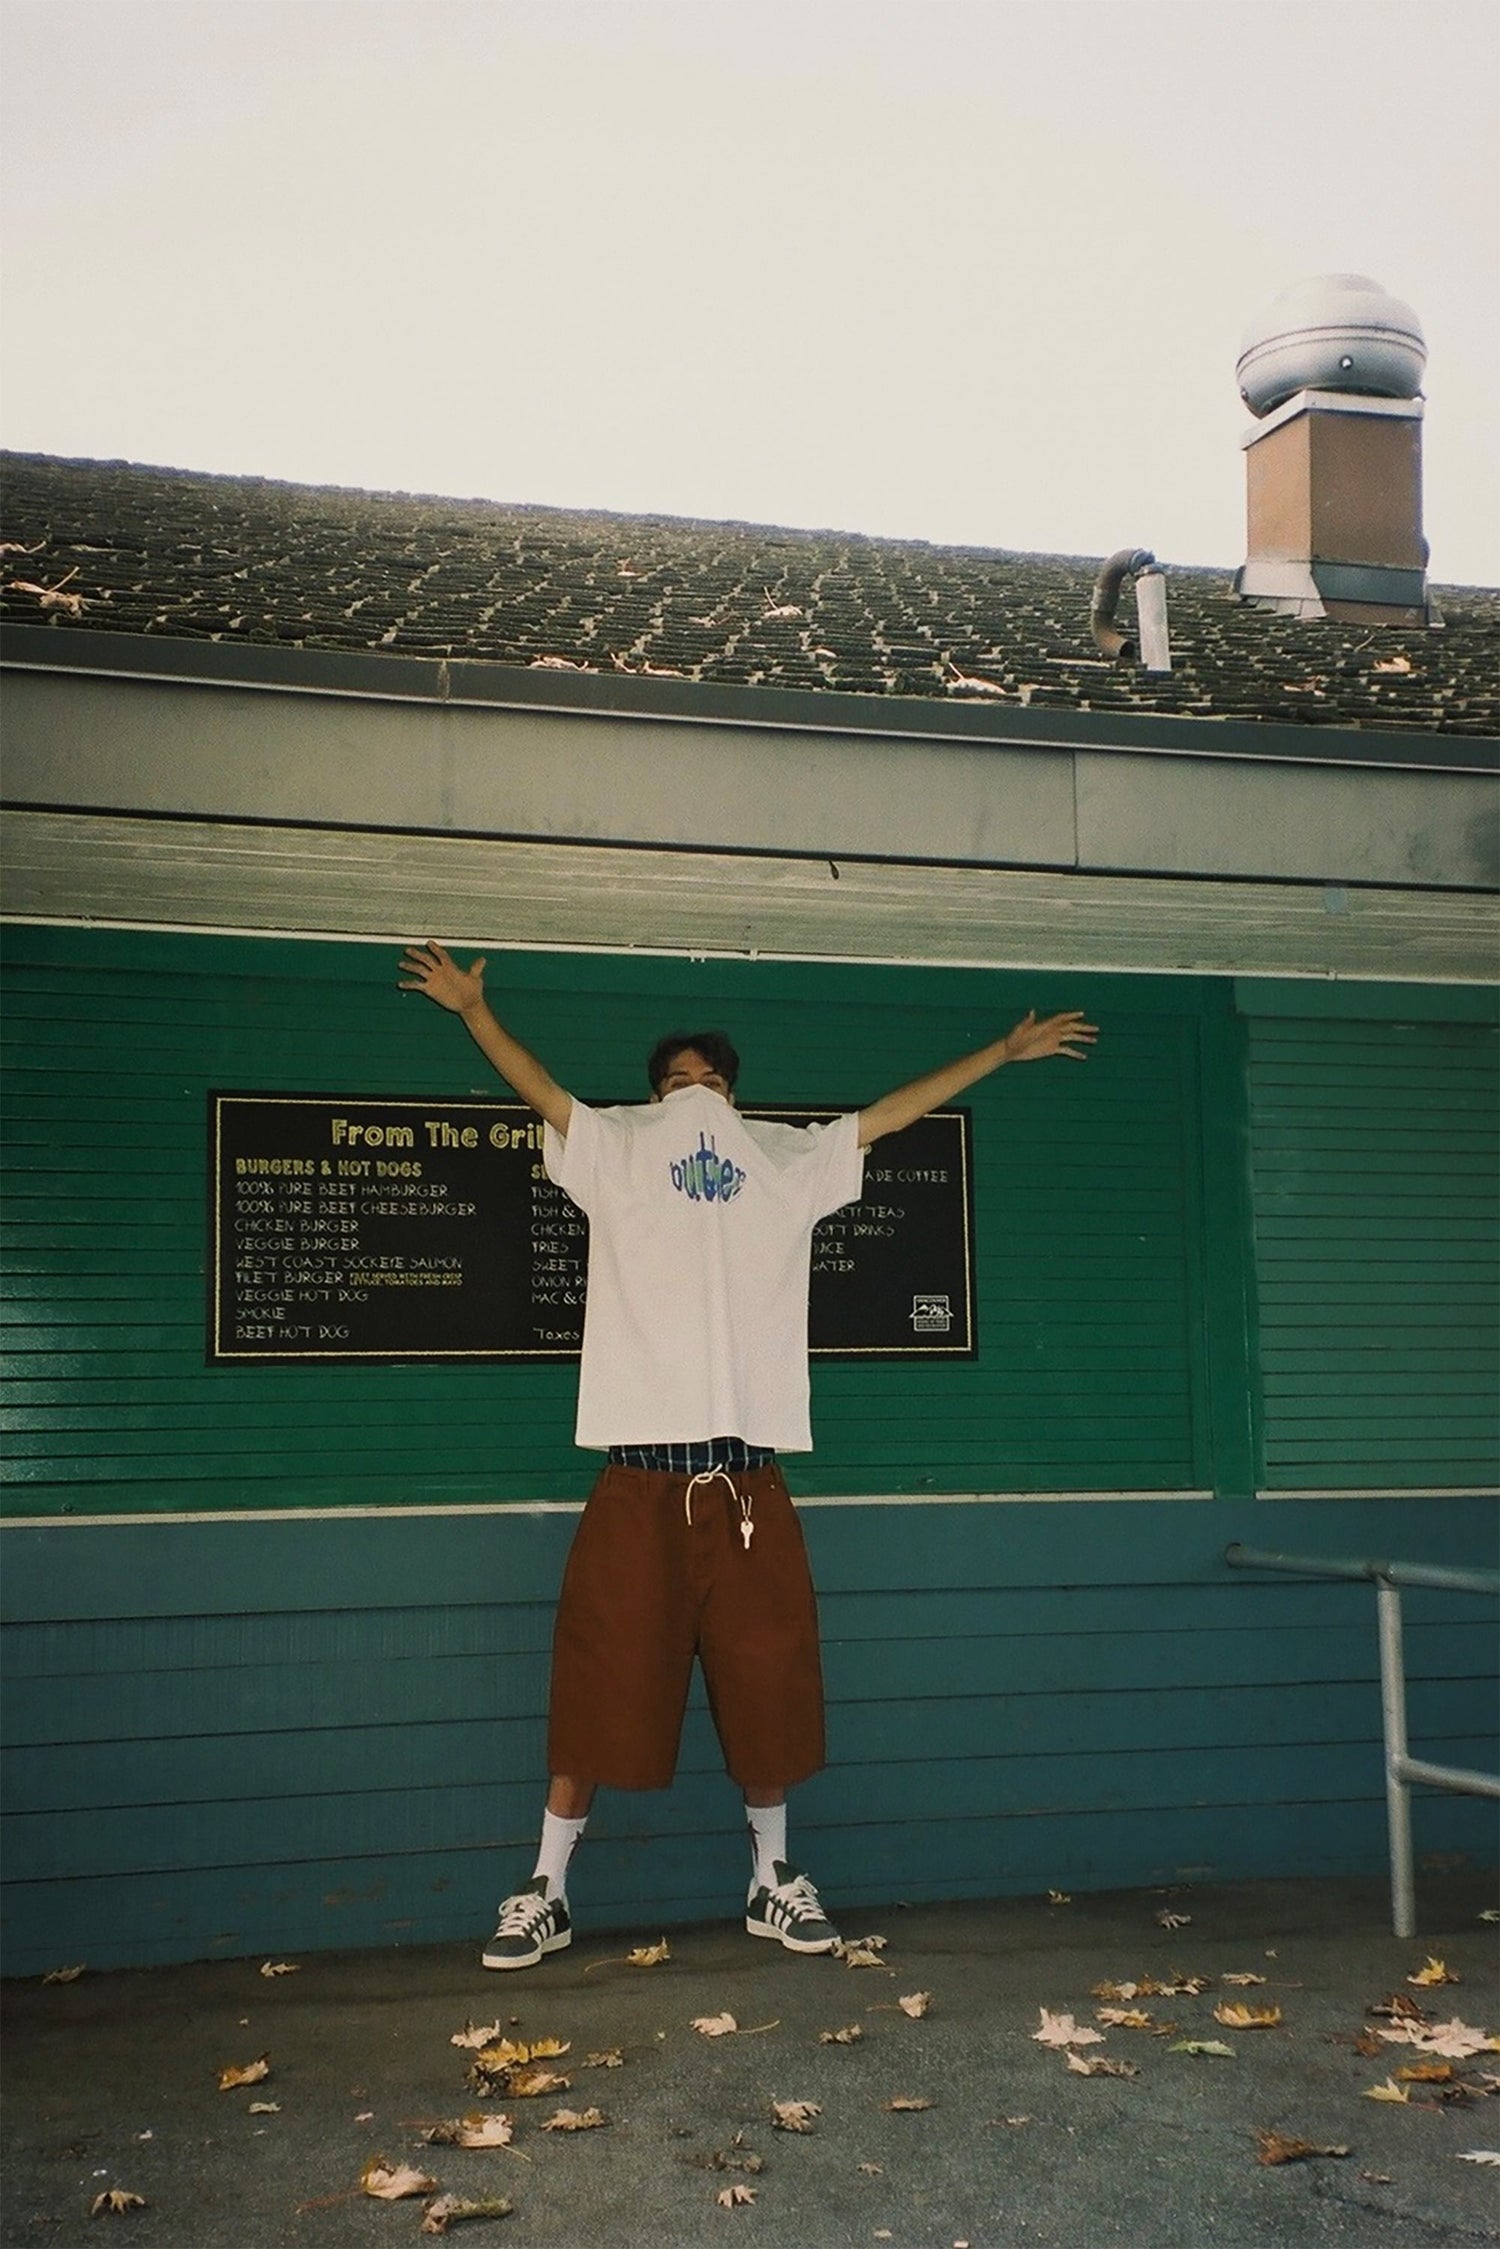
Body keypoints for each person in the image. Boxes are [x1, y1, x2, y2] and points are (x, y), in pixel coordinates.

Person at [399, 940, 1096, 1969]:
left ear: (736, 1094)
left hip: (749, 1479)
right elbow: (543, 1090)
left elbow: (892, 1114)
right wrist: (472, 1011)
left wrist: (1001, 1049)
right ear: (651, 1097)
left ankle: (772, 1879)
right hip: (639, 1475)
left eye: (712, 1082)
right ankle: (545, 1886)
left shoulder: (780, 1158)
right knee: (599, 1679)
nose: (696, 1096)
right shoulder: (619, 1149)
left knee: (765, 1678)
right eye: (678, 1083)